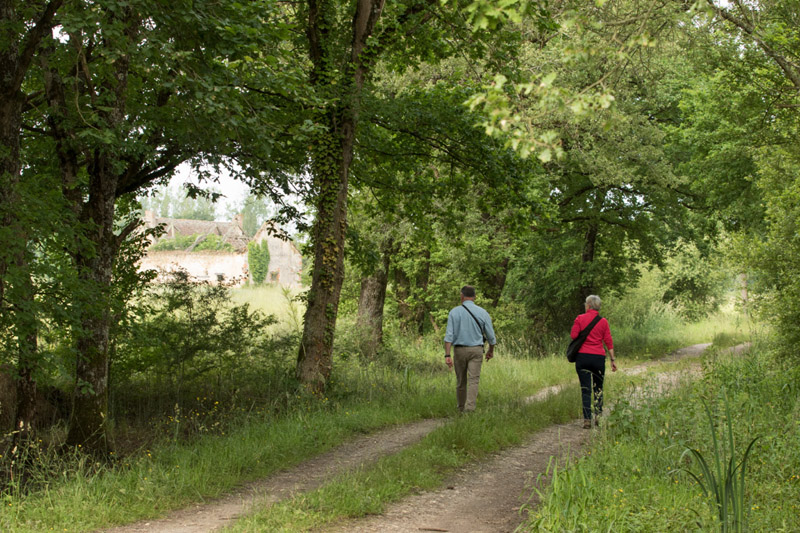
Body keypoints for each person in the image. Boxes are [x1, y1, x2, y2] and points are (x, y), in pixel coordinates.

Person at [444, 286, 497, 413]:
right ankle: (470, 409)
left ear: (461, 296)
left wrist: (447, 355)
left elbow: (449, 336)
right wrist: (491, 350)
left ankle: (461, 408)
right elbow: (491, 336)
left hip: (459, 351)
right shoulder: (483, 312)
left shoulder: (454, 312)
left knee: (461, 381)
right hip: (476, 350)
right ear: (475, 297)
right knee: (474, 380)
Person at [571, 294, 616, 429]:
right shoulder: (603, 321)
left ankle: (587, 420)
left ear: (589, 305)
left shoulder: (580, 318)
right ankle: (598, 417)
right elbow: (608, 341)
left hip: (583, 358)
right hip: (598, 359)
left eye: (586, 304)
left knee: (585, 389)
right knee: (598, 388)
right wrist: (612, 360)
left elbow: (573, 335)